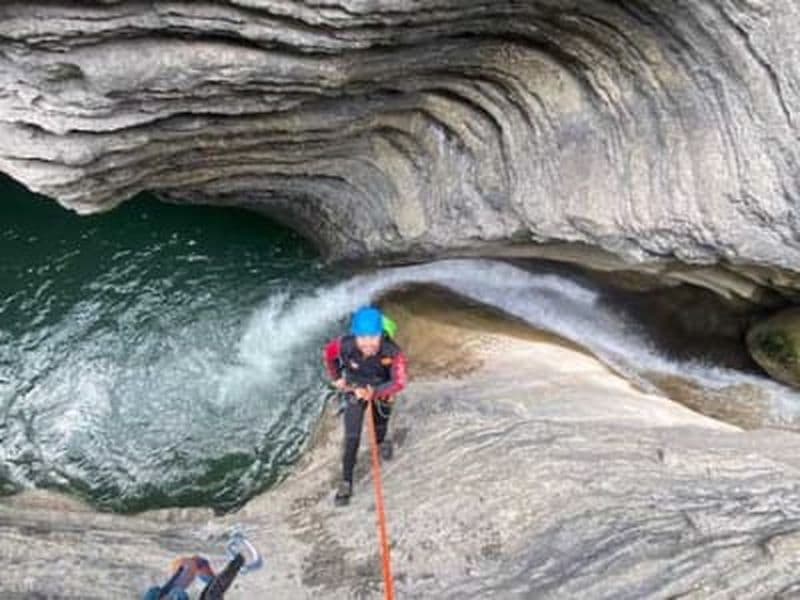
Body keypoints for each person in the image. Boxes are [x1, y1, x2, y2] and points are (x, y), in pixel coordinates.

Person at [324, 306, 408, 506]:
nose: (368, 343)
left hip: (381, 388)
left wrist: (375, 392)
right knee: (351, 437)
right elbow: (329, 355)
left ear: (381, 335)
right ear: (355, 336)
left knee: (380, 422)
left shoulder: (392, 352)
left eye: (373, 337)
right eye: (362, 337)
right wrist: (337, 378)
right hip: (355, 388)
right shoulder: (345, 345)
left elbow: (399, 382)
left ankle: (380, 442)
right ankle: (346, 481)